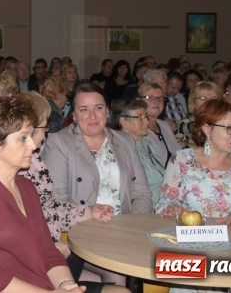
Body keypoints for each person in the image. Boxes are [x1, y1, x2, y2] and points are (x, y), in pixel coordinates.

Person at [0, 95, 124, 293]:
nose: (33, 145)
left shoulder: (26, 187)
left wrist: (67, 285)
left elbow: (47, 250)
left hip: (40, 285)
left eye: (32, 135)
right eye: (23, 138)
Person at [42, 83, 152, 286]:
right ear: (73, 115)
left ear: (107, 111)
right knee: (116, 269)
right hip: (80, 234)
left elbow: (143, 193)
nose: (92, 116)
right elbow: (56, 201)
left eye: (98, 108)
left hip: (125, 230)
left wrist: (128, 226)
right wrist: (96, 224)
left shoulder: (125, 141)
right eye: (84, 110)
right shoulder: (59, 143)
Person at [157, 99, 231, 227]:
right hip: (187, 235)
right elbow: (165, 201)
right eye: (230, 129)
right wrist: (172, 208)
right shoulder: (181, 160)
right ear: (207, 129)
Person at [117, 100, 165, 206]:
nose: (147, 122)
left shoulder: (146, 142)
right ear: (124, 121)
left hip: (163, 199)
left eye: (146, 117)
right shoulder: (120, 149)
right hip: (147, 206)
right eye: (140, 117)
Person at [136, 83, 180, 167]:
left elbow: (178, 153)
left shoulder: (165, 125)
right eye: (150, 97)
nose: (156, 101)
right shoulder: (137, 129)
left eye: (160, 98)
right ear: (138, 101)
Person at [174, 81, 222, 148]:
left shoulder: (225, 123)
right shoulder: (185, 125)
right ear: (194, 102)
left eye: (214, 98)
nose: (208, 102)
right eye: (203, 98)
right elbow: (182, 152)